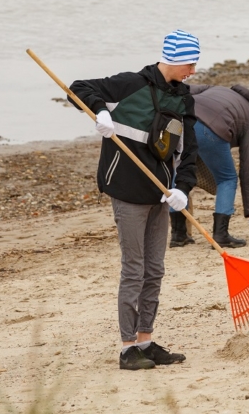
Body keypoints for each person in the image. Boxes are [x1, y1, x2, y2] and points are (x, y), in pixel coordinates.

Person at [69, 29, 199, 371]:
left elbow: (189, 152)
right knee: (134, 269)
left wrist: (183, 189)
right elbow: (78, 88)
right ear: (172, 60)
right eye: (190, 63)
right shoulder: (130, 84)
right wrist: (101, 112)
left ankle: (146, 340)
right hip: (127, 191)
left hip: (161, 195)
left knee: (155, 270)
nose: (193, 71)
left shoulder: (184, 100)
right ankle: (128, 349)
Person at [172, 83, 249, 249]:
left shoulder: (216, 89)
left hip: (179, 121)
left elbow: (183, 89)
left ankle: (178, 235)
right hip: (210, 128)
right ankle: (221, 235)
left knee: (179, 173)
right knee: (227, 179)